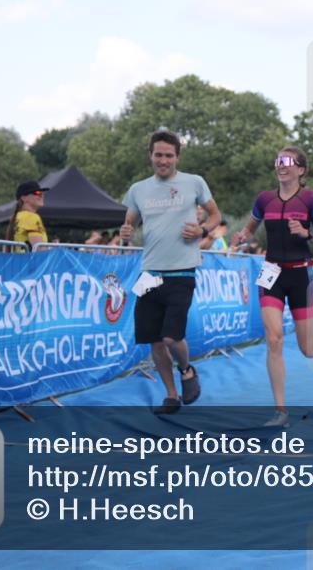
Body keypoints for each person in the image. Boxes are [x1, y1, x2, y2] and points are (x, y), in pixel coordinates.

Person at [231, 146, 313, 427]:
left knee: (307, 347)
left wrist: (307, 233)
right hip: (271, 275)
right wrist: (242, 236)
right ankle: (281, 411)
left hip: (300, 276)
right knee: (274, 339)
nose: (281, 165)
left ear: (301, 170)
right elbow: (250, 229)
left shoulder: (311, 199)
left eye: (288, 161)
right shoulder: (264, 199)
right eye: (278, 161)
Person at [120, 130, 222, 415]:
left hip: (183, 271)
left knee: (170, 337)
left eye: (168, 155)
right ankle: (171, 395)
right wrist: (126, 232)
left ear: (177, 156)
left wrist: (202, 230)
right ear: (150, 155)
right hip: (150, 273)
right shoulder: (138, 189)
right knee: (154, 340)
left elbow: (215, 216)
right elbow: (129, 224)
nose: (163, 160)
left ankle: (187, 370)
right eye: (158, 155)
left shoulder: (194, 182)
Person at [5, 180, 50, 251]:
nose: (41, 195)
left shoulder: (18, 216)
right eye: (37, 192)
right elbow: (40, 250)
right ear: (24, 198)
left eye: (42, 193)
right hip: (31, 261)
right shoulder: (30, 217)